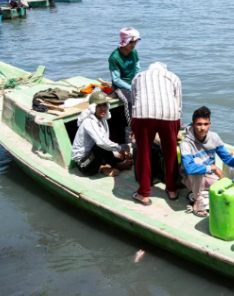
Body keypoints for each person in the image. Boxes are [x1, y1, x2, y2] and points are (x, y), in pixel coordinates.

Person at [180, 106, 234, 217]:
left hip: (208, 176)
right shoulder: (186, 144)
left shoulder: (214, 137)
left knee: (228, 189)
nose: (202, 128)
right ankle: (197, 200)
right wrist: (213, 168)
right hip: (190, 178)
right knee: (197, 163)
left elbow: (227, 158)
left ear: (210, 124)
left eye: (205, 124)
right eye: (199, 124)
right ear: (193, 125)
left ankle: (200, 192)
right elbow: (189, 168)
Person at [130, 62, 182, 205]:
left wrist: (134, 127)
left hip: (143, 115)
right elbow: (178, 104)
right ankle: (172, 190)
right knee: (171, 153)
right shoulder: (173, 77)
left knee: (143, 153)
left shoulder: (138, 77)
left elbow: (134, 101)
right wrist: (176, 127)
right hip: (169, 115)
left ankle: (143, 194)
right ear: (164, 69)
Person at [71, 92, 132, 177]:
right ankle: (109, 166)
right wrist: (119, 150)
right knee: (103, 145)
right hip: (84, 164)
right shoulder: (89, 121)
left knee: (126, 148)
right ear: (93, 108)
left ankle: (106, 165)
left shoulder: (102, 120)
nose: (103, 108)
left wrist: (119, 152)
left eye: (104, 105)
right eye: (99, 106)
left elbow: (106, 143)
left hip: (96, 155)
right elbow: (102, 143)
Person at [109, 28, 141, 141]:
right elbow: (116, 80)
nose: (133, 44)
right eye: (131, 42)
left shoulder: (134, 52)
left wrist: (137, 81)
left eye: (135, 41)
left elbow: (137, 68)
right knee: (129, 101)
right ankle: (132, 129)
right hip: (121, 86)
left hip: (133, 82)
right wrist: (131, 87)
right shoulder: (114, 57)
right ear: (125, 41)